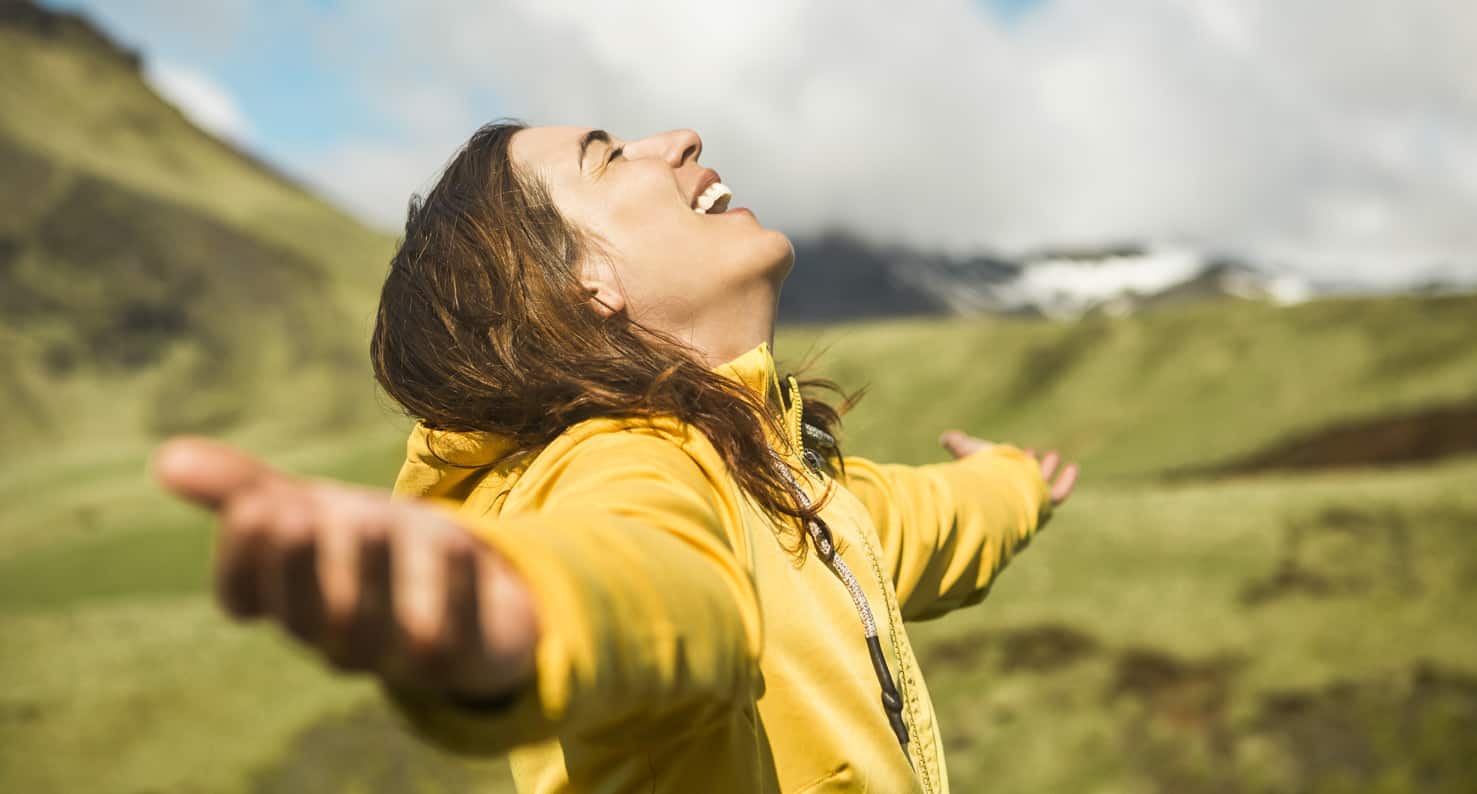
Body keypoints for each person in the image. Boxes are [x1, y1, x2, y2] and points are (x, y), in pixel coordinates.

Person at [154, 121, 1079, 794]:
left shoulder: (777, 479)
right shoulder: (628, 459)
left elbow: (914, 524)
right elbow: (640, 576)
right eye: (605, 157)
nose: (676, 140)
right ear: (577, 281)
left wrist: (1013, 482)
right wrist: (518, 615)